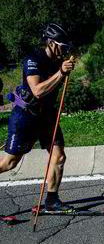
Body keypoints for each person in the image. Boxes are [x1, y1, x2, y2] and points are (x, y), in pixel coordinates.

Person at [0, 23, 75, 211]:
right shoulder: (33, 60)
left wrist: (64, 70)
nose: (65, 50)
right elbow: (38, 91)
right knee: (10, 163)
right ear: (50, 43)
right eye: (62, 45)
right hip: (26, 116)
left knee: (58, 157)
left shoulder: (59, 61)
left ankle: (52, 201)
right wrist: (61, 73)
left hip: (47, 116)